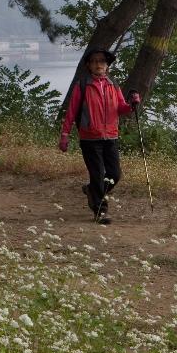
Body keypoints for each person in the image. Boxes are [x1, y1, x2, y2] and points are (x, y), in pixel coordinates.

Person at [59, 49, 140, 225]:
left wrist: (132, 105)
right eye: (94, 61)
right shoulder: (83, 85)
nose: (98, 64)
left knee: (114, 174)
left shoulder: (113, 85)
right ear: (89, 65)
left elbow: (121, 108)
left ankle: (92, 191)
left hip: (110, 136)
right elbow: (72, 111)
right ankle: (100, 211)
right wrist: (65, 134)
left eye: (102, 61)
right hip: (89, 138)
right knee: (97, 174)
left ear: (107, 65)